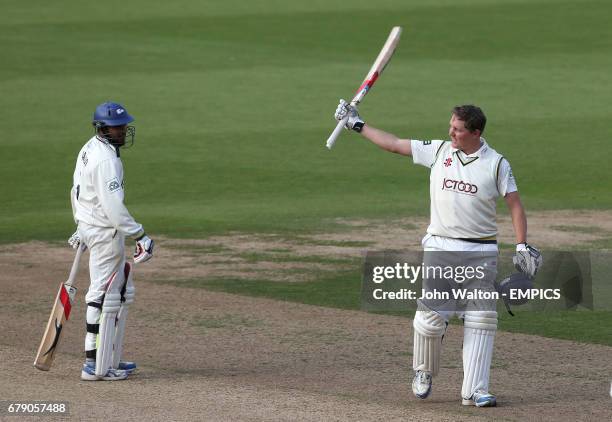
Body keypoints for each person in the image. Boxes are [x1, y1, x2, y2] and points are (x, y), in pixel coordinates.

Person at [334, 100, 541, 407]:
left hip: (480, 249)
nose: (451, 133)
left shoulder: (497, 163)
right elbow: (394, 144)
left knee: (482, 318)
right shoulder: (440, 151)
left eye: (457, 129)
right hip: (440, 247)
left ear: (476, 132)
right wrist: (357, 124)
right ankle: (423, 371)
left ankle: (475, 390)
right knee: (430, 320)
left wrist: (522, 244)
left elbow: (514, 204)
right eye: (451, 127)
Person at [68, 102, 154, 381]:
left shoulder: (89, 147)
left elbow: (76, 189)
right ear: (103, 128)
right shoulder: (107, 160)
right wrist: (140, 234)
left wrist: (80, 225)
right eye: (118, 126)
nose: (124, 130)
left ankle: (107, 357)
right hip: (106, 232)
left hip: (92, 226)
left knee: (112, 292)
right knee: (101, 294)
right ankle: (93, 363)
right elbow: (114, 209)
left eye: (124, 125)